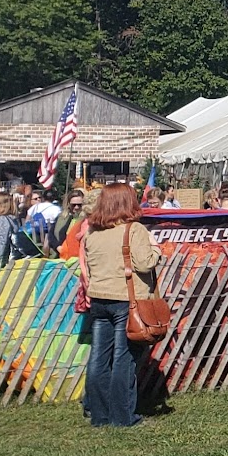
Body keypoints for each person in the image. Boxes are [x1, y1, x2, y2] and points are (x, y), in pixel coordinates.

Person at [76, 182, 158, 430]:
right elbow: (145, 264)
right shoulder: (134, 230)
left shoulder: (92, 231)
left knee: (99, 358)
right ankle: (123, 417)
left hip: (100, 300)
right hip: (127, 301)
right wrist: (156, 249)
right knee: (124, 358)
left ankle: (99, 415)